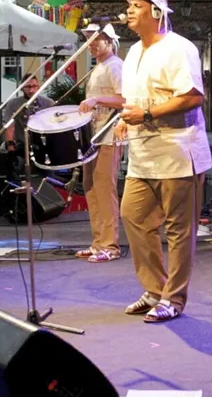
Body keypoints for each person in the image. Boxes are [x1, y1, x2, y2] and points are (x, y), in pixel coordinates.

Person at [116, 0, 212, 323]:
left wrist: (145, 114)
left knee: (178, 229)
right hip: (143, 154)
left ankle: (174, 298)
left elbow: (192, 97)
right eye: (129, 5)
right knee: (133, 215)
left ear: (156, 12)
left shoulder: (179, 48)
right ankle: (154, 288)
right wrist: (127, 119)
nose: (128, 10)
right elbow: (135, 99)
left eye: (137, 5)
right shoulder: (131, 52)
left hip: (178, 152)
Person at [75, 23, 125, 263]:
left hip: (109, 135)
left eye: (96, 39)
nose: (91, 43)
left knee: (104, 189)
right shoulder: (99, 67)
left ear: (110, 41)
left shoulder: (115, 66)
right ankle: (99, 242)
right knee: (91, 188)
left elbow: (126, 98)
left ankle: (110, 245)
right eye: (88, 39)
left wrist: (96, 100)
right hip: (94, 136)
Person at [3, 75, 55, 176]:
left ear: (38, 87)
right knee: (15, 172)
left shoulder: (48, 103)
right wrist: (10, 148)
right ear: (22, 88)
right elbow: (9, 127)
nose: (31, 90)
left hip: (44, 146)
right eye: (28, 87)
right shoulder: (13, 104)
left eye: (34, 86)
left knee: (48, 177)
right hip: (22, 145)